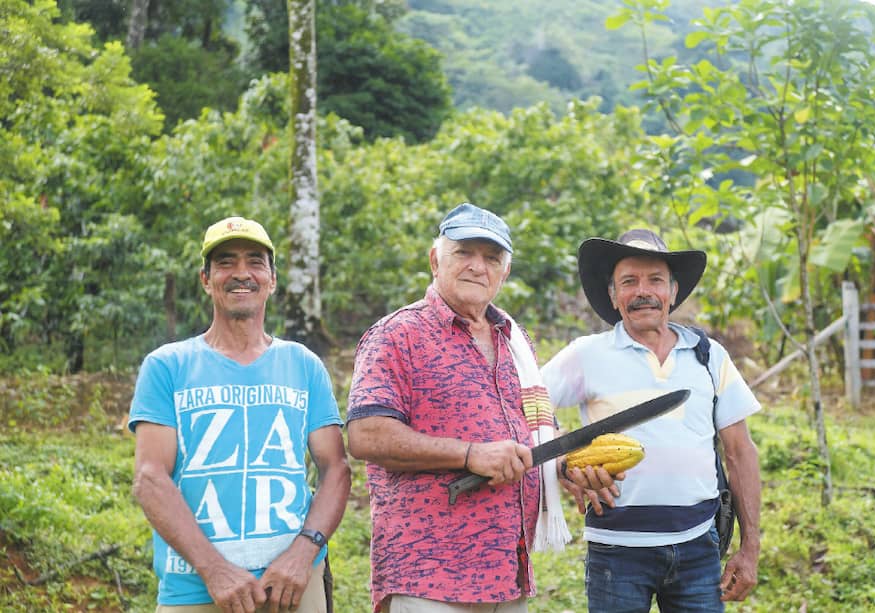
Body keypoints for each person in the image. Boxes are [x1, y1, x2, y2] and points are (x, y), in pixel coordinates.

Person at [346, 203, 571, 613]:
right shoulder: (398, 334)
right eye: (464, 252)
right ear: (435, 260)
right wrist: (470, 454)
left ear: (505, 272)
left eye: (492, 258)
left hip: (507, 572)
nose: (477, 267)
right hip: (429, 573)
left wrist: (572, 467)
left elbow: (539, 433)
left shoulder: (514, 340)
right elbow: (366, 435)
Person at [129, 216, 351, 613]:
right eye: (226, 262)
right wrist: (214, 570)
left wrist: (303, 553)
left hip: (293, 586)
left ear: (272, 279)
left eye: (255, 261)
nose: (241, 273)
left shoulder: (303, 364)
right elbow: (150, 478)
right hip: (196, 587)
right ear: (206, 279)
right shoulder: (167, 366)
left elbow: (336, 469)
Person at [541, 229, 761, 613]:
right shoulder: (586, 355)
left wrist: (751, 548)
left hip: (699, 547)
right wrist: (562, 459)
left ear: (673, 291)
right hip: (616, 553)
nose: (643, 291)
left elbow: (740, 451)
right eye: (629, 281)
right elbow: (523, 405)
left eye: (655, 280)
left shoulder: (709, 356)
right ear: (613, 295)